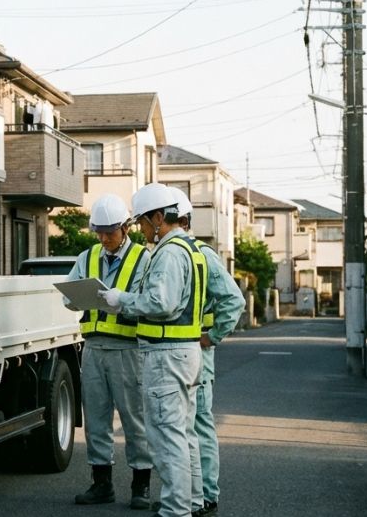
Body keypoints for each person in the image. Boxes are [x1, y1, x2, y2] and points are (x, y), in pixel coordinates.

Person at [97, 183, 206, 517]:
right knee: (184, 435)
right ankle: (193, 501)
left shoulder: (169, 252)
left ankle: (176, 509)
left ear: (159, 218)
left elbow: (161, 303)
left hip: (166, 355)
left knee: (167, 437)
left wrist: (122, 300)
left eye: (144, 221)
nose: (141, 228)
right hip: (184, 352)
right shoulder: (190, 249)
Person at [67, 194, 154, 510]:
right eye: (99, 232)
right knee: (96, 419)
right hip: (93, 347)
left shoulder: (144, 259)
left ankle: (141, 485)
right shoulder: (88, 256)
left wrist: (124, 301)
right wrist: (73, 299)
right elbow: (70, 292)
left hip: (128, 349)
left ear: (126, 227)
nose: (104, 238)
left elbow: (149, 301)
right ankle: (101, 484)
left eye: (110, 232)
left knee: (134, 419)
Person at [167, 187, 244, 517]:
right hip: (175, 352)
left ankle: (207, 494)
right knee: (181, 424)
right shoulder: (165, 254)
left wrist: (213, 336)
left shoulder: (201, 253)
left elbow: (234, 300)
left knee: (197, 422)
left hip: (197, 352)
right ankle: (188, 494)